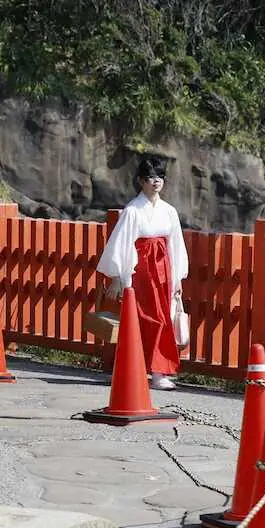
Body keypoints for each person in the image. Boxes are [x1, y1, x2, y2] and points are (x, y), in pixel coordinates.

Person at [96, 157, 189, 390]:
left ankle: (159, 371)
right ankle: (135, 368)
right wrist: (117, 276)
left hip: (164, 270)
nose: (155, 182)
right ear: (140, 181)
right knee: (140, 319)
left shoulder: (169, 211)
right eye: (150, 178)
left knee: (163, 318)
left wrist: (177, 277)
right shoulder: (132, 211)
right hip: (140, 271)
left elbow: (175, 245)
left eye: (159, 177)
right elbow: (120, 242)